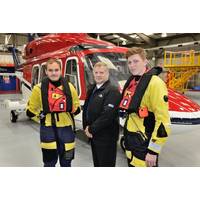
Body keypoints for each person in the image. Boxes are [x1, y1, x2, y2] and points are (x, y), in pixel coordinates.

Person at [119, 47, 171, 167]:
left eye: (136, 61)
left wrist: (153, 151)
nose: (132, 65)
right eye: (129, 62)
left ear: (145, 61)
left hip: (144, 141)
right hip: (131, 139)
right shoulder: (132, 82)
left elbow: (163, 121)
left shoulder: (155, 83)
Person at [26, 58, 80, 167]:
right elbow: (31, 110)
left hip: (66, 128)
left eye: (56, 70)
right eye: (50, 70)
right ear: (46, 71)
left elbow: (77, 107)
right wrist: (41, 118)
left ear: (61, 70)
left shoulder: (70, 87)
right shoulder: (38, 89)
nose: (54, 73)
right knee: (49, 161)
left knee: (67, 160)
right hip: (47, 128)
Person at [82, 62, 121, 167]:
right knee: (97, 164)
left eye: (101, 72)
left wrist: (91, 129)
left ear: (107, 74)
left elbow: (107, 115)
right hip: (94, 136)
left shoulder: (113, 91)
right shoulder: (92, 89)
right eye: (96, 72)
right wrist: (86, 127)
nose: (98, 75)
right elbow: (86, 109)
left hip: (106, 138)